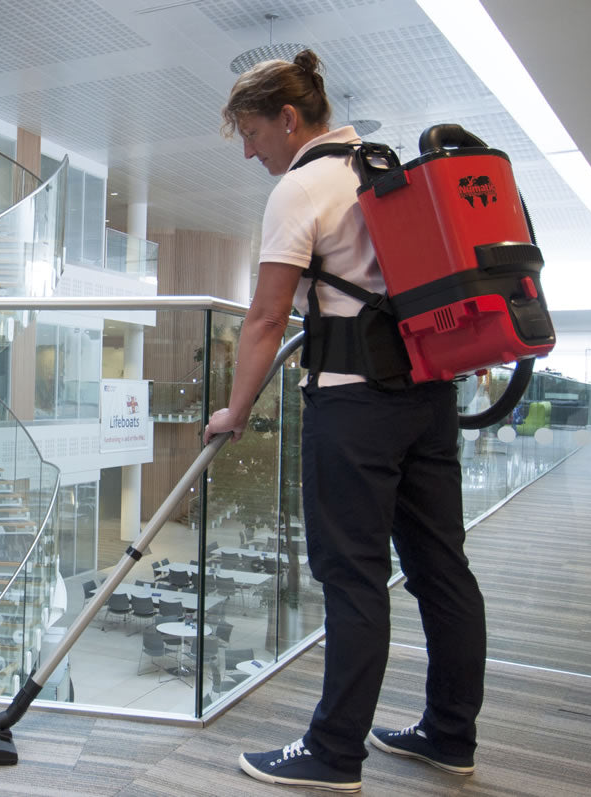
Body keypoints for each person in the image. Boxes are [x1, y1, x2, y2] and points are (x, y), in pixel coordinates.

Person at [204, 50, 487, 793]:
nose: (249, 152)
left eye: (252, 133)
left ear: (288, 118)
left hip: (354, 405)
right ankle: (450, 735)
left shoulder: (303, 187)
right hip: (428, 396)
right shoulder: (384, 166)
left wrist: (236, 408)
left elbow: (267, 317)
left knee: (352, 577)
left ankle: (333, 753)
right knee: (442, 569)